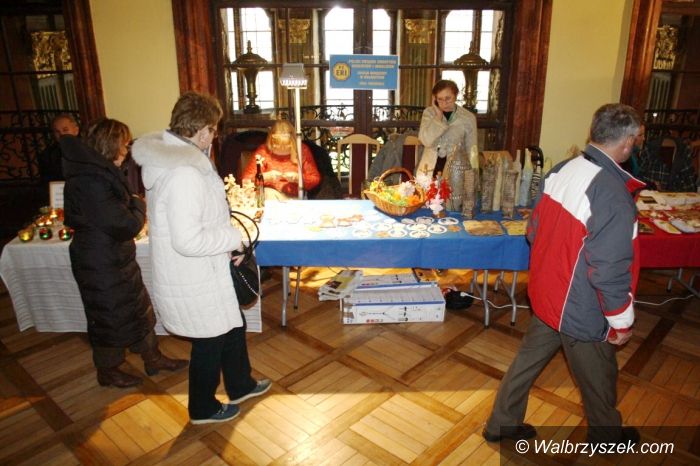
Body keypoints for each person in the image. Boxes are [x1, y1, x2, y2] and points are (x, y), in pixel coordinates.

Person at [483, 103, 646, 446]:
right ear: (628, 141)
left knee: (527, 361)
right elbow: (610, 271)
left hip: (548, 294)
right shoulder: (612, 195)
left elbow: (533, 231)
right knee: (599, 376)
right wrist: (621, 321)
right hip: (580, 307)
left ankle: (502, 423)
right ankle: (607, 438)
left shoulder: (563, 168)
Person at [131, 92, 271, 424]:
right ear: (203, 130)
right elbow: (188, 240)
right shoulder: (184, 174)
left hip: (205, 269)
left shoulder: (179, 163)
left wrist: (226, 247)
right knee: (210, 341)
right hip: (195, 275)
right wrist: (232, 239)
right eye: (213, 129)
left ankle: (240, 384)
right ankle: (202, 408)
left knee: (232, 325)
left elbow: (197, 222)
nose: (215, 135)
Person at [61, 118, 188, 388]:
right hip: (99, 260)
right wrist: (139, 204)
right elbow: (126, 225)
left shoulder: (98, 172)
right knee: (109, 315)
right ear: (111, 145)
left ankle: (153, 357)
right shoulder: (90, 180)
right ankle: (108, 370)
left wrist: (132, 204)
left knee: (137, 307)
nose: (127, 150)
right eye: (124, 144)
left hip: (112, 255)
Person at [241, 119, 321, 199]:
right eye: (278, 146)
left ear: (293, 142)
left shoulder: (302, 150)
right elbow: (246, 180)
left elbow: (315, 179)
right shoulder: (263, 151)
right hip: (270, 195)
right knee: (269, 194)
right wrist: (265, 177)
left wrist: (297, 178)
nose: (282, 149)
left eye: (286, 146)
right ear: (271, 142)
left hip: (296, 196)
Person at [417, 79, 477, 177]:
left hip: (456, 170)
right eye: (440, 99)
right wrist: (438, 117)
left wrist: (473, 175)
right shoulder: (429, 113)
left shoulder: (468, 118)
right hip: (429, 168)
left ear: (455, 96)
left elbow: (472, 149)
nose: (444, 103)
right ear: (434, 99)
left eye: (448, 98)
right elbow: (425, 141)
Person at [38, 113, 80, 202]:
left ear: (76, 130)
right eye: (57, 132)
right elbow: (46, 183)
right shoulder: (47, 155)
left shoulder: (88, 150)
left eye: (65, 130)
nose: (61, 134)